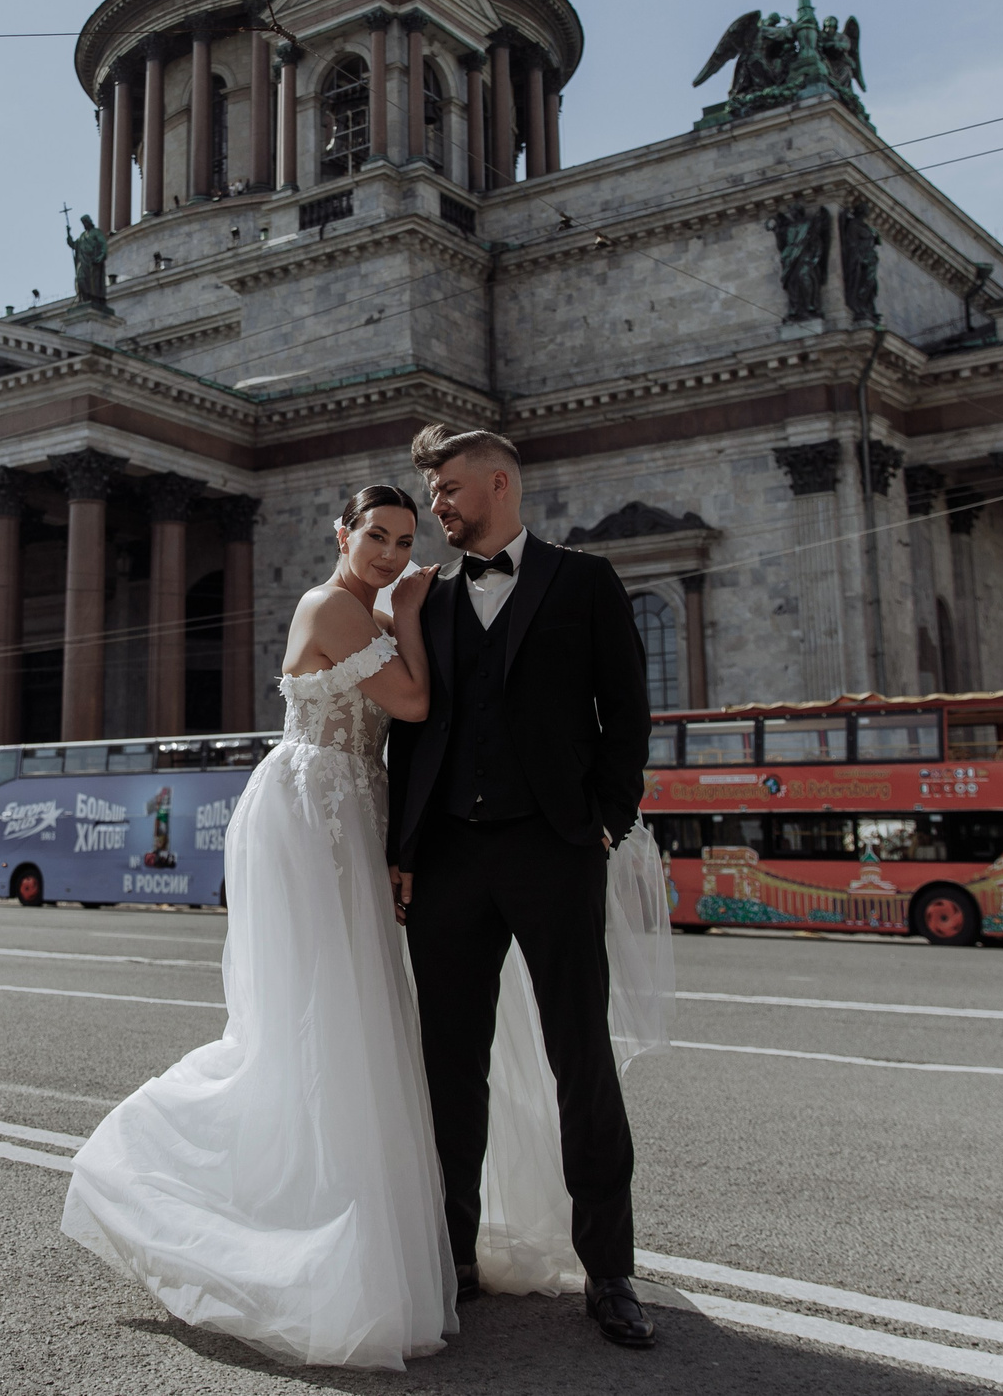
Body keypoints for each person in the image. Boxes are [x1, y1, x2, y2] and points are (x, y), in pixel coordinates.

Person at [63, 484, 454, 1369]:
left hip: (348, 806)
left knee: (348, 1015)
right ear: (342, 533)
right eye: (378, 535)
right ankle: (145, 1165)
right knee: (314, 1015)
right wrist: (413, 613)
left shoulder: (363, 610)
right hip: (313, 808)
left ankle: (342, 1226)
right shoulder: (333, 605)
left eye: (406, 541)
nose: (392, 554)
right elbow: (413, 702)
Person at [388, 424, 658, 1348]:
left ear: (499, 483)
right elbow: (412, 734)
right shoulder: (425, 597)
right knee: (447, 1065)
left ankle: (611, 1270)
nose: (437, 506)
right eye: (432, 493)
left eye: (449, 489)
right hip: (448, 857)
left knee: (580, 1058)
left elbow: (627, 710)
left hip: (555, 848)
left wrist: (607, 815)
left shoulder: (585, 581)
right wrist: (403, 846)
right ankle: (452, 1256)